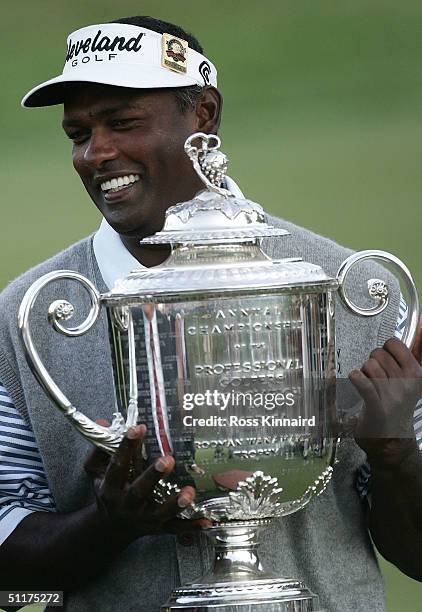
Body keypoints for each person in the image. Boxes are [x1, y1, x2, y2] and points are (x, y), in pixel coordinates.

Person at [0, 15, 421, 612]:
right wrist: (108, 524)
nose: (97, 153)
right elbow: (9, 569)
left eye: (122, 123)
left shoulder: (353, 292)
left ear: (204, 115)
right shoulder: (25, 317)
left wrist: (395, 452)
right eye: (78, 133)